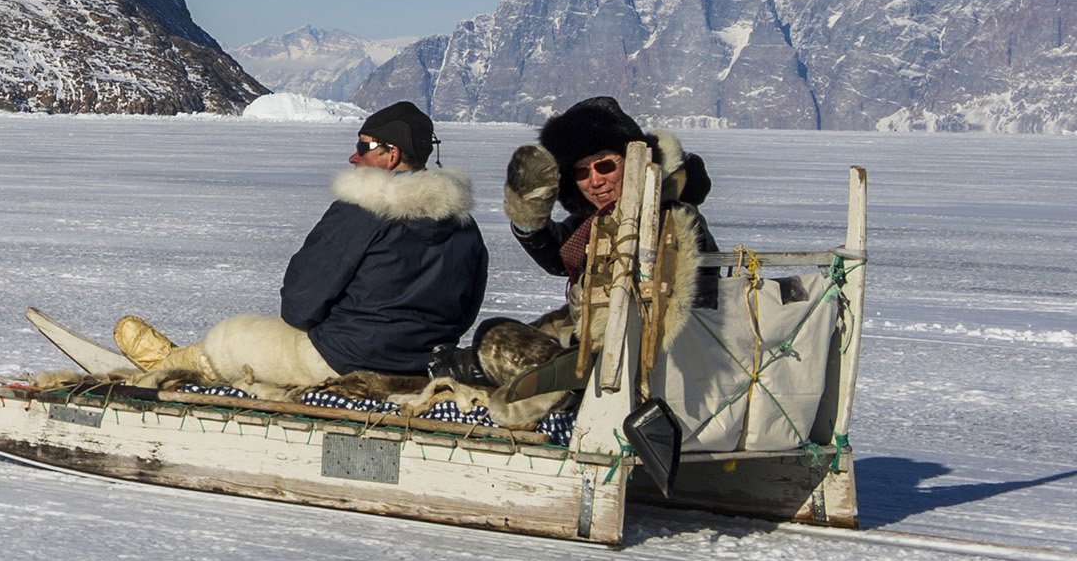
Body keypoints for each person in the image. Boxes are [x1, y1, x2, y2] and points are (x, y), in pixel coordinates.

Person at [113, 102, 489, 395]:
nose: (353, 157)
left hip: (344, 360)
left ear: (390, 155)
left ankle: (169, 366)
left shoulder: (364, 210)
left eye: (363, 147)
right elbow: (465, 312)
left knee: (238, 336)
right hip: (422, 367)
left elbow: (299, 303)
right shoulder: (466, 226)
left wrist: (340, 332)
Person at [502, 95, 717, 323]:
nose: (595, 181)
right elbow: (561, 255)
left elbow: (692, 304)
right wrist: (529, 217)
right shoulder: (598, 220)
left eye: (604, 166)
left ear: (635, 162)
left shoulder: (671, 219)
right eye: (582, 172)